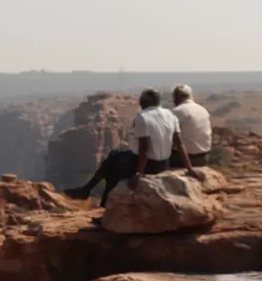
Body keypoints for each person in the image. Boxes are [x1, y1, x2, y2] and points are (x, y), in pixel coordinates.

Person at [65, 88, 194, 207]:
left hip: (147, 165)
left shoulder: (142, 116)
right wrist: (190, 168)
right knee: (115, 156)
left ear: (143, 102)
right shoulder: (171, 115)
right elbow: (179, 143)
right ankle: (90, 194)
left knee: (113, 167)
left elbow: (144, 147)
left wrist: (139, 173)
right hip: (164, 164)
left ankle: (94, 197)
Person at [169, 84, 212, 168]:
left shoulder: (177, 112)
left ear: (177, 97)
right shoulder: (203, 110)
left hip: (182, 159)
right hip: (203, 158)